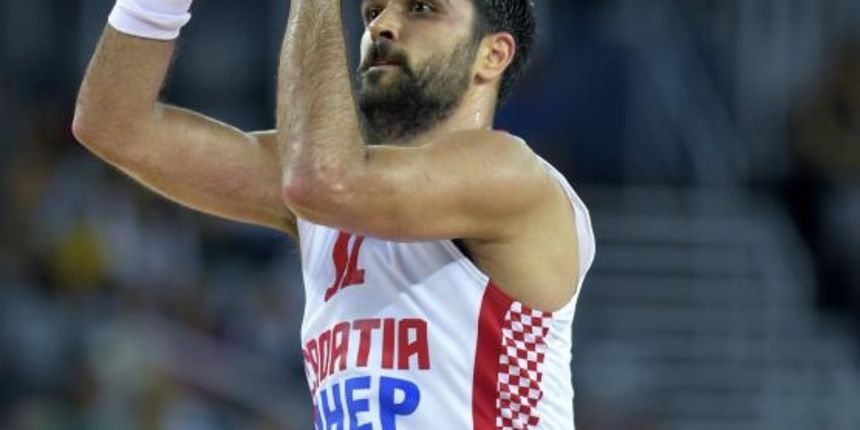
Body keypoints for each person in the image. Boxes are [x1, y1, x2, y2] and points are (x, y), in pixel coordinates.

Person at [72, 0, 596, 428]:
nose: (383, 25)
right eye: (371, 12)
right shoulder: (323, 184)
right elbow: (113, 125)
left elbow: (324, 180)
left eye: (421, 8)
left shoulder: (511, 173)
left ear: (493, 55)